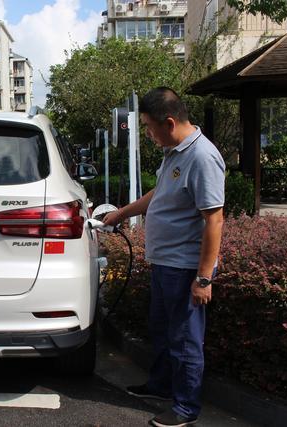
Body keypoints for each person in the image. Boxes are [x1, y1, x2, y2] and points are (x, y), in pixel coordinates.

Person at [103, 87, 225, 427]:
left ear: (169, 123)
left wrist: (203, 278)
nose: (146, 133)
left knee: (185, 340)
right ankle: (160, 386)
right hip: (165, 263)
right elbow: (161, 193)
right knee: (161, 329)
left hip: (185, 268)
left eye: (148, 126)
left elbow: (214, 218)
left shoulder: (202, 157)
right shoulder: (174, 152)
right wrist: (123, 212)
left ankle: (186, 408)